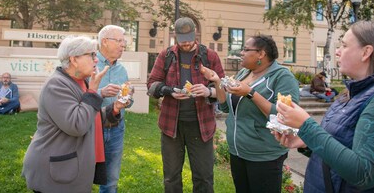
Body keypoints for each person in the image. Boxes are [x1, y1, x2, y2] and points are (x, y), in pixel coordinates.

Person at [275, 20, 374, 192]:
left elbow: (363, 174)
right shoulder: (352, 92)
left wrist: (306, 126)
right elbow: (340, 146)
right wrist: (305, 142)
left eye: (344, 46)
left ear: (366, 52)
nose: (337, 52)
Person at [22, 36, 127, 192]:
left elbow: (90, 116)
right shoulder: (56, 85)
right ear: (74, 60)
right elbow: (77, 125)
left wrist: (115, 109)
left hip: (70, 168)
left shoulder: (80, 82)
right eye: (91, 55)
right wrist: (93, 91)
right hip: (56, 171)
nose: (96, 60)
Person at [200, 34, 300, 193]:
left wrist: (251, 93)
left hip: (264, 156)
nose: (241, 53)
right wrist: (217, 81)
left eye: (246, 49)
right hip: (238, 152)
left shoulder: (282, 77)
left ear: (261, 54)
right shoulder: (244, 73)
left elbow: (285, 117)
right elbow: (225, 106)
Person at [147, 17, 225, 193]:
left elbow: (223, 88)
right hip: (171, 126)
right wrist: (169, 91)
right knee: (171, 177)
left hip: (201, 126)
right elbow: (151, 86)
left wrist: (208, 92)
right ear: (175, 36)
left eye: (189, 39)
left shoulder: (209, 56)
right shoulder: (166, 55)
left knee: (204, 177)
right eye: (182, 40)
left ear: (195, 34)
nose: (186, 43)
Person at [96, 25, 134, 193]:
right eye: (119, 41)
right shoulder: (90, 64)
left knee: (111, 182)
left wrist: (128, 98)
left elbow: (128, 101)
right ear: (105, 42)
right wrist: (101, 93)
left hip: (116, 129)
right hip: (92, 128)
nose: (123, 45)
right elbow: (77, 96)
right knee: (82, 177)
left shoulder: (122, 70)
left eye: (123, 42)